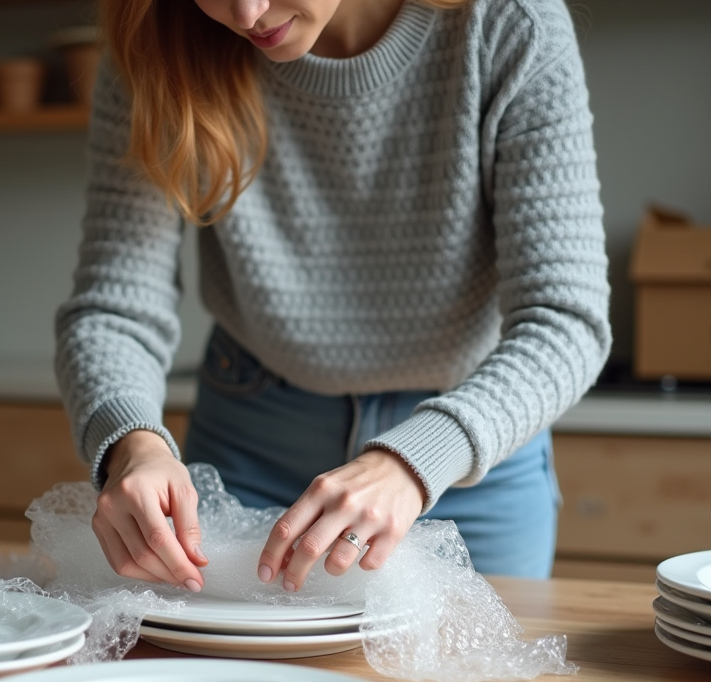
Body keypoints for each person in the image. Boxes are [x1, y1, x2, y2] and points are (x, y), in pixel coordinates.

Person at [54, 0, 610, 594]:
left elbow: (565, 319)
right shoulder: (157, 36)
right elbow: (114, 308)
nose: (246, 12)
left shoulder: (510, 25)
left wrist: (414, 460)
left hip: (467, 453)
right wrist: (133, 445)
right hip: (251, 444)